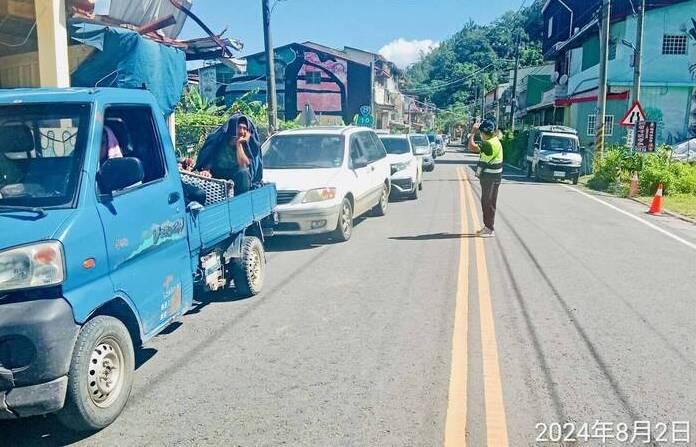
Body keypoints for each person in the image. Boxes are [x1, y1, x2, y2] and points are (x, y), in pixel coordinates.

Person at [194, 114, 262, 196]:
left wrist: (239, 144)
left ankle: (240, 200)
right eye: (239, 127)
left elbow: (244, 165)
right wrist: (206, 170)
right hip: (217, 175)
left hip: (236, 176)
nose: (242, 131)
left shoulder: (248, 145)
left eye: (245, 129)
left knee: (244, 172)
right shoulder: (220, 140)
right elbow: (210, 155)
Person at [468, 118, 503, 237]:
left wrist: (472, 132)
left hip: (489, 178)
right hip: (495, 177)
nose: (480, 135)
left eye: (481, 133)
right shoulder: (496, 140)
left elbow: (471, 147)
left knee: (487, 203)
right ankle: (488, 227)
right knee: (490, 202)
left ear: (484, 133)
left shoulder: (488, 144)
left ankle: (489, 228)